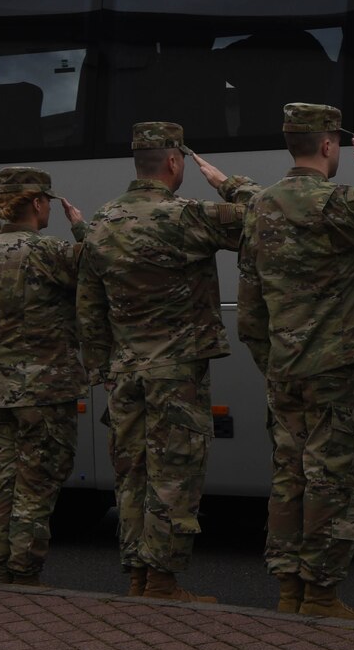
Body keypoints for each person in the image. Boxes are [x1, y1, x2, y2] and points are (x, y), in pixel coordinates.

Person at [237, 103, 354, 621]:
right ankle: (320, 595)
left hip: (284, 367)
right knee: (334, 480)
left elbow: (250, 306)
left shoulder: (260, 206)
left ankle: (288, 592)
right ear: (327, 145)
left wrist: (273, 359)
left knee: (289, 476)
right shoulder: (345, 203)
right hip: (337, 369)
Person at [76, 122, 258, 601]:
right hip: (175, 372)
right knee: (174, 475)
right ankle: (162, 582)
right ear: (174, 163)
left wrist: (102, 370)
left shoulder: (101, 221)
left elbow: (89, 310)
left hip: (124, 372)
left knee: (132, 474)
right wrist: (229, 183)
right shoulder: (187, 217)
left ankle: (139, 575)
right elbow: (265, 218)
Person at [0, 167, 88, 587]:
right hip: (45, 393)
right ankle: (25, 573)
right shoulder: (49, 251)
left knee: (6, 481)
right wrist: (82, 229)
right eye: (47, 200)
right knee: (37, 482)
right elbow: (102, 266)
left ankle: (0, 566)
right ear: (36, 203)